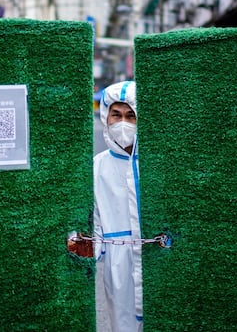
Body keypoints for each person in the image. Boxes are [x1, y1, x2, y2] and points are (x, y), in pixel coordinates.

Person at [93, 80, 142, 331]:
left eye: (130, 115)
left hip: (156, 257)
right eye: (116, 114)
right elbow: (94, 220)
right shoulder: (97, 166)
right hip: (118, 264)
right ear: (106, 116)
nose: (123, 122)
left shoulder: (156, 163)